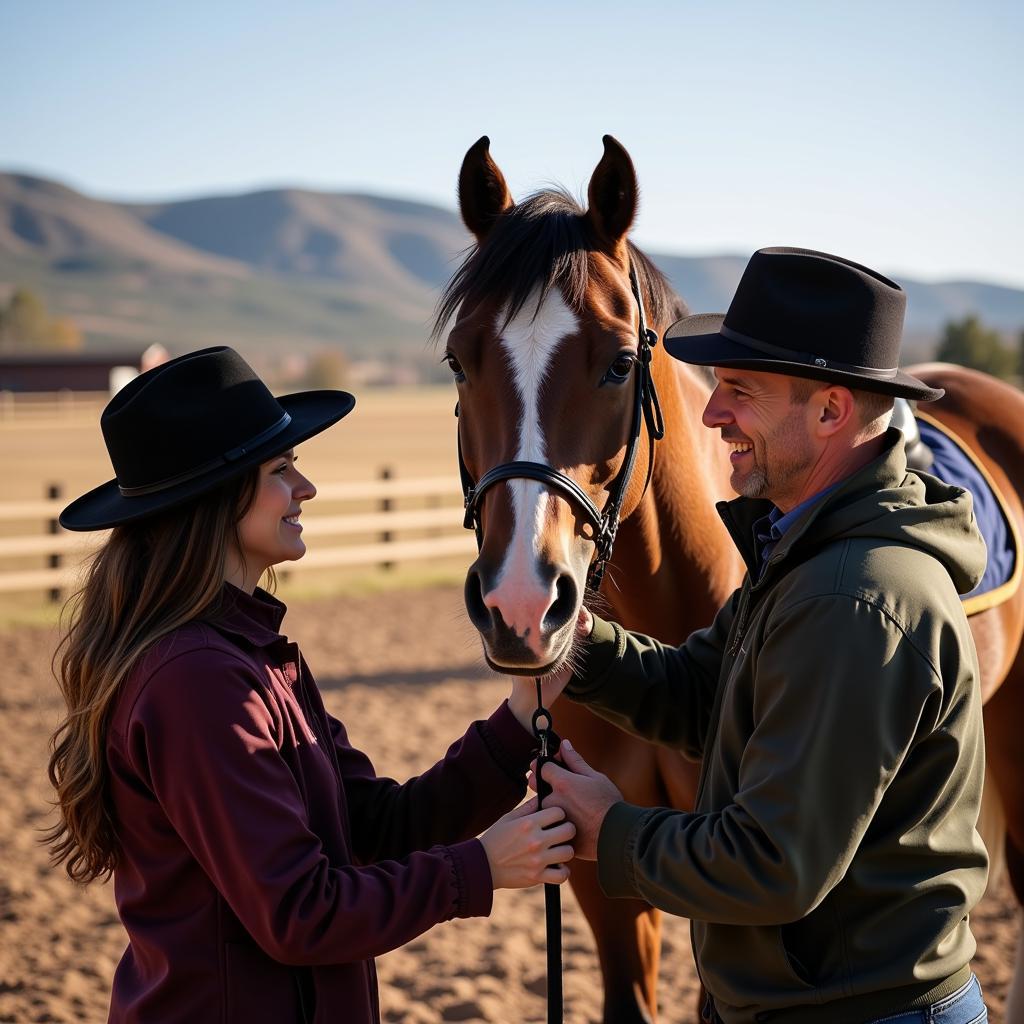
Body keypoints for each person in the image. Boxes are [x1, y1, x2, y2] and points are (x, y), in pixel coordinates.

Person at [46, 346, 574, 1024]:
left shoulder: (254, 656)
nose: (306, 487)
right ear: (216, 496)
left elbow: (377, 826)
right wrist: (477, 868)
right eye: (280, 469)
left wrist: (517, 719)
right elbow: (300, 914)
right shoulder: (197, 681)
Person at [536, 248, 990, 1023]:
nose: (712, 417)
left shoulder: (853, 600)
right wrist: (578, 642)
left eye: (739, 391)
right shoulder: (806, 552)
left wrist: (608, 832)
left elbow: (772, 866)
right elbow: (706, 696)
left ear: (830, 411)